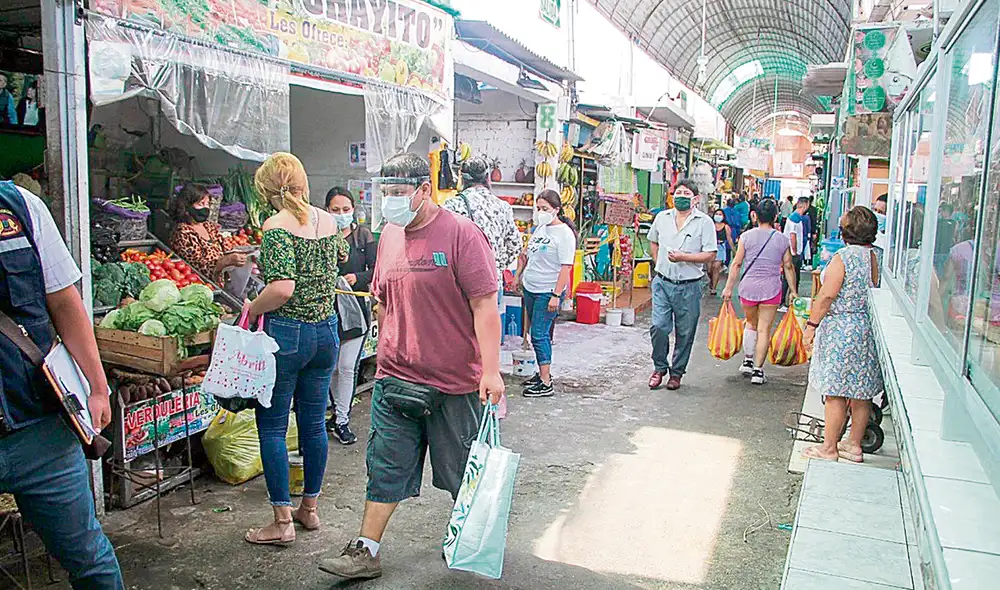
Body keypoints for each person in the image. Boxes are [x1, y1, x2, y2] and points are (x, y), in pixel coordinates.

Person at [319, 153, 504, 581]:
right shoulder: (389, 235)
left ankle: (470, 538)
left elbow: (485, 306)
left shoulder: (461, 234)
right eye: (387, 193)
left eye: (400, 193)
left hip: (455, 382)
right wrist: (386, 347)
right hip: (396, 378)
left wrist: (491, 370)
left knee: (463, 474)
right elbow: (382, 299)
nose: (392, 202)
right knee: (385, 466)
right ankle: (365, 550)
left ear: (425, 189)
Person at [0, 180, 123, 587]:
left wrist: (97, 387)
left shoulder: (19, 208)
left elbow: (64, 302)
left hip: (40, 427)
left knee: (88, 555)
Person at [244, 153, 349, 545]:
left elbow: (282, 288)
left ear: (268, 191)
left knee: (272, 427)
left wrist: (251, 307)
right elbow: (340, 256)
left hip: (288, 334)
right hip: (326, 333)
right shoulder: (329, 220)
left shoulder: (275, 227)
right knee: (313, 423)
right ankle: (310, 510)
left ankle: (282, 522)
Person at [802, 206, 884, 462]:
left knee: (836, 391)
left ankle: (829, 448)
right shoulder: (878, 256)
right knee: (862, 392)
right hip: (869, 328)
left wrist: (811, 326)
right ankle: (854, 445)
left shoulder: (844, 257)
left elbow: (827, 295)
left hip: (842, 329)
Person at [647, 179, 718, 391]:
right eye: (678, 192)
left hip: (690, 285)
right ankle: (659, 366)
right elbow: (653, 240)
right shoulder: (662, 218)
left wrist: (684, 257)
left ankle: (676, 372)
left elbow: (710, 254)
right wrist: (657, 261)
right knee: (659, 327)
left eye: (686, 193)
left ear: (695, 199)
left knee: (685, 332)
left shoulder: (704, 222)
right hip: (662, 282)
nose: (681, 196)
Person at [721, 199, 798, 384]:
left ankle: (747, 361)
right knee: (764, 330)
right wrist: (793, 290)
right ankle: (757, 371)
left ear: (755, 215)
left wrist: (728, 287)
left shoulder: (746, 237)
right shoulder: (782, 239)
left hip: (748, 287)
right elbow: (788, 266)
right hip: (771, 289)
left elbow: (737, 263)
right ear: (776, 216)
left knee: (750, 323)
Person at [325, 186, 377, 445]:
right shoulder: (321, 236)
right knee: (332, 366)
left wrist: (358, 277)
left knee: (346, 366)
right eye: (335, 210)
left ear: (353, 210)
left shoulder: (362, 237)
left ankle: (343, 419)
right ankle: (335, 413)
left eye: (346, 210)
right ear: (327, 211)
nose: (341, 214)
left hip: (356, 309)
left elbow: (377, 270)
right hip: (327, 309)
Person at [515, 189, 577, 398]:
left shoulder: (564, 234)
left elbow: (566, 267)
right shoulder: (540, 229)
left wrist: (556, 295)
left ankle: (545, 381)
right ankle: (542, 373)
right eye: (538, 208)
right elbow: (526, 255)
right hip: (531, 288)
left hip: (547, 291)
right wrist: (518, 277)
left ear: (557, 210)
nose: (540, 212)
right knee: (538, 334)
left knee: (539, 335)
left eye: (545, 209)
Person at [444, 155, 521, 280]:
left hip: (463, 282)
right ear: (487, 178)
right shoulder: (503, 206)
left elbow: (443, 245)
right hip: (493, 281)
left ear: (462, 179)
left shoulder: (453, 205)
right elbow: (515, 245)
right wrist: (497, 266)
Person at [169, 183, 247, 279]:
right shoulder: (182, 233)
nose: (206, 208)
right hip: (202, 283)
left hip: (222, 282)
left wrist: (241, 256)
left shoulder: (209, 226)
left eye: (207, 204)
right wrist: (225, 261)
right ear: (186, 207)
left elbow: (226, 248)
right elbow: (198, 268)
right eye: (201, 204)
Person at [782, 197, 810, 309]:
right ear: (804, 205)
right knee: (790, 277)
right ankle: (785, 301)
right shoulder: (795, 218)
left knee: (794, 277)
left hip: (793, 251)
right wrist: (794, 251)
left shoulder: (796, 217)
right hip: (793, 253)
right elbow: (793, 236)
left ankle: (791, 299)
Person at [709, 207, 734, 295]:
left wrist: (734, 250)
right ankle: (711, 282)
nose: (718, 216)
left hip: (720, 248)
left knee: (716, 267)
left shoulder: (726, 227)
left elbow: (729, 238)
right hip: (710, 248)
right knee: (709, 269)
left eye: (720, 214)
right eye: (717, 214)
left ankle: (714, 288)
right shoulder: (710, 225)